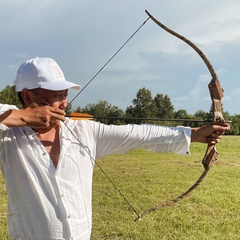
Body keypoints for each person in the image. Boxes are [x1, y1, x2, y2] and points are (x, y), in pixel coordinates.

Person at [0, 57, 230, 240]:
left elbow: (138, 135)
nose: (64, 103)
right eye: (55, 96)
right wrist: (22, 118)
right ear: (28, 96)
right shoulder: (8, 136)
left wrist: (194, 134)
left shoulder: (84, 131)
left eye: (65, 94)